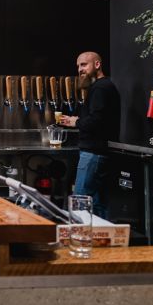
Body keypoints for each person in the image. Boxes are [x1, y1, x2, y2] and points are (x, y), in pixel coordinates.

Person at [60, 51, 120, 219]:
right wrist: (79, 119)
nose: (80, 69)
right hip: (100, 154)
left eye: (84, 64)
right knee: (99, 206)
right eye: (78, 66)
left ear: (97, 65)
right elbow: (101, 118)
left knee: (80, 204)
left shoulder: (100, 88)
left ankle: (79, 241)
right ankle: (101, 241)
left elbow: (96, 121)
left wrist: (76, 123)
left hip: (93, 155)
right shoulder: (105, 86)